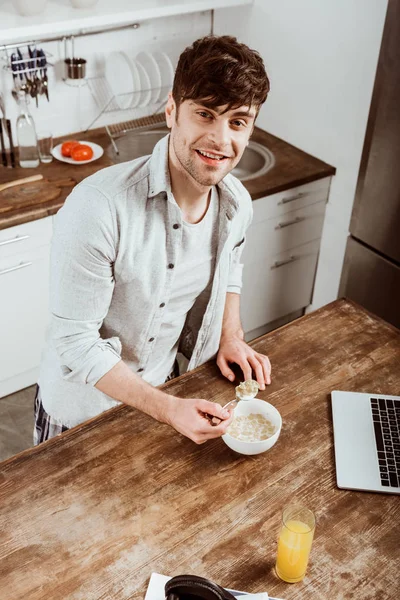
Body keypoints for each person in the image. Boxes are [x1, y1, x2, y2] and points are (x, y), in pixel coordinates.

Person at [35, 35, 271, 446]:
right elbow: (75, 342)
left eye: (237, 121)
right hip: (80, 416)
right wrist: (166, 408)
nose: (220, 139)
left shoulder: (238, 204)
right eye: (204, 114)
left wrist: (231, 336)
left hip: (163, 400)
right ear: (171, 112)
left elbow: (232, 265)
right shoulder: (99, 206)